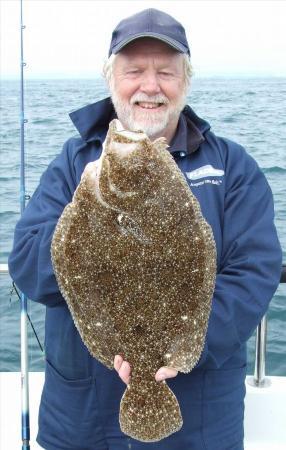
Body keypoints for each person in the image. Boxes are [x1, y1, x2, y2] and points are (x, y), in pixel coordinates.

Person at [8, 8, 282, 450]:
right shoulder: (74, 165)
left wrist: (186, 347)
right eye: (134, 70)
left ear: (185, 81)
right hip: (84, 418)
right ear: (111, 79)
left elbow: (256, 271)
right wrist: (85, 209)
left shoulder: (233, 167)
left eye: (166, 73)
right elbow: (27, 266)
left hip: (201, 419)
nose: (150, 86)